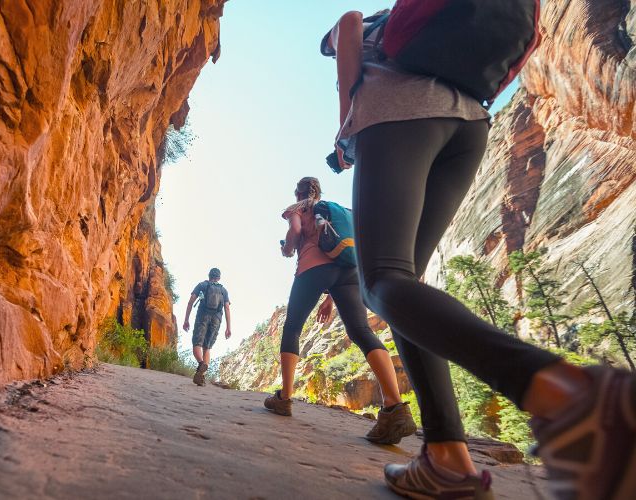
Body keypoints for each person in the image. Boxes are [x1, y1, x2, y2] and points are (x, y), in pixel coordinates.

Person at [325, 9, 636, 499]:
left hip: (400, 108)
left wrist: (345, 123)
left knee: (380, 280)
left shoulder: (370, 28)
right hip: (469, 123)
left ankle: (573, 397)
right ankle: (447, 459)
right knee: (405, 282)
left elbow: (346, 23)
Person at [263, 177, 417, 445]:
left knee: (293, 327)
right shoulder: (338, 210)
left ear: (298, 192)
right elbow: (340, 250)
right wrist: (330, 299)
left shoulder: (298, 207)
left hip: (312, 270)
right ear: (319, 191)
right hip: (349, 272)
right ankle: (395, 406)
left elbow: (296, 233)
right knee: (361, 330)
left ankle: (284, 399)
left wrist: (287, 249)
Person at [183, 268, 232, 386]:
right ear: (219, 278)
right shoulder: (223, 290)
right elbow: (227, 308)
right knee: (207, 347)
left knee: (197, 343)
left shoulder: (202, 285)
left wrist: (186, 319)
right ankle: (202, 376)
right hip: (217, 319)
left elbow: (190, 302)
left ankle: (201, 364)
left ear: (209, 275)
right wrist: (228, 327)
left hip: (202, 316)